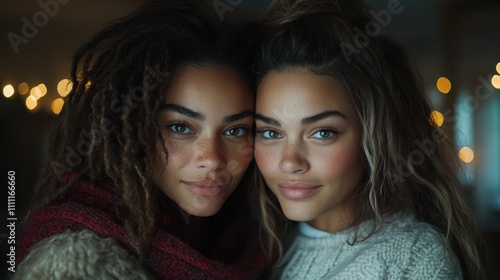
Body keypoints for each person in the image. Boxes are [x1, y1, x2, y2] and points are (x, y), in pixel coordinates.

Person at [14, 1, 265, 279]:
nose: (212, 159)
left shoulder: (254, 231)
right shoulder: (73, 260)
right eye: (180, 127)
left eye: (236, 130)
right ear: (132, 129)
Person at [252, 0, 486, 279]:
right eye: (270, 133)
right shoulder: (258, 249)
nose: (290, 163)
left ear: (373, 136)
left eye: (323, 132)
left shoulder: (413, 261)